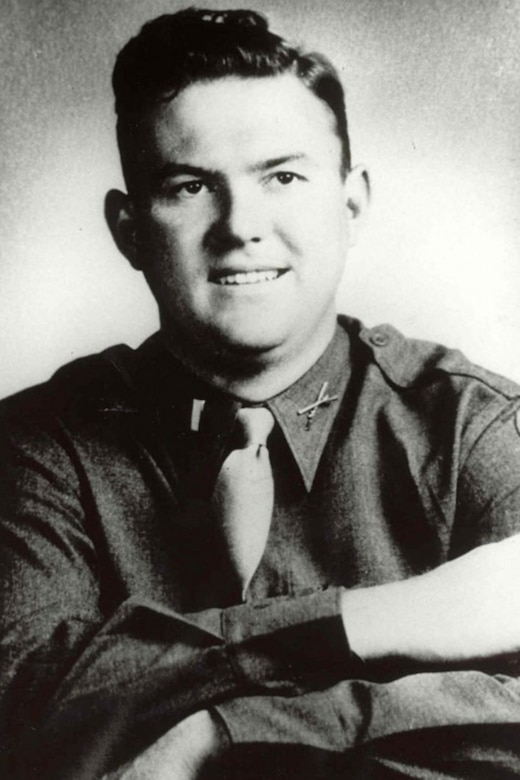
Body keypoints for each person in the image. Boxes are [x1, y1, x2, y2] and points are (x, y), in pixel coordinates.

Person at [1, 7, 520, 779]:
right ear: (129, 230)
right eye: (188, 186)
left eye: (283, 176)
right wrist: (363, 623)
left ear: (351, 206)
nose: (241, 225)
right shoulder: (39, 446)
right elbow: (21, 699)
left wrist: (225, 732)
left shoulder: (473, 427)